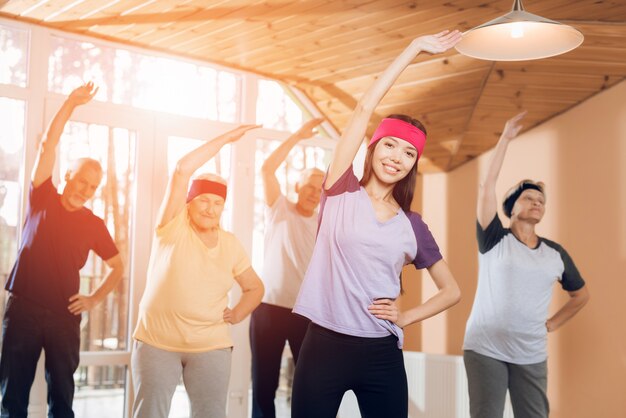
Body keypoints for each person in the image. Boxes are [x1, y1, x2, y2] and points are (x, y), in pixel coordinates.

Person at [290, 30, 462, 418]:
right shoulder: (339, 190)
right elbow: (363, 109)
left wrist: (407, 316)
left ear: (413, 165)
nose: (397, 157)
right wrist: (415, 48)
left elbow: (451, 290)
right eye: (390, 144)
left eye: (408, 153)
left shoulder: (412, 225)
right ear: (373, 147)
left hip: (381, 353)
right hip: (323, 346)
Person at [1, 82, 124, 417]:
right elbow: (47, 144)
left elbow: (118, 266)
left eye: (92, 186)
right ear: (68, 175)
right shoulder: (42, 197)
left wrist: (94, 298)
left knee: (62, 399)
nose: (85, 189)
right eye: (81, 181)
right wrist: (70, 104)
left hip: (64, 315)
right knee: (12, 397)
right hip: (23, 309)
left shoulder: (94, 224)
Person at [131, 125, 265, 418]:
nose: (210, 208)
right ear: (188, 203)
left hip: (211, 346)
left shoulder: (230, 244)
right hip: (157, 342)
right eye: (204, 200)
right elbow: (181, 170)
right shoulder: (171, 227)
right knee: (149, 413)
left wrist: (239, 312)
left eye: (218, 203)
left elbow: (255, 287)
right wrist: (226, 139)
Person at [463, 111, 590, 418]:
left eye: (541, 200)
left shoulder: (555, 253)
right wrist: (505, 138)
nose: (536, 203)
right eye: (529, 198)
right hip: (485, 348)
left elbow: (581, 295)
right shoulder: (494, 238)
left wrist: (552, 324)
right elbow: (486, 187)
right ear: (512, 206)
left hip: (530, 353)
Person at [250, 118, 324, 418]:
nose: (313, 193)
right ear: (298, 186)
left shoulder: (324, 224)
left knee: (310, 385)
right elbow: (267, 169)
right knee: (263, 385)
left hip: (305, 313)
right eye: (309, 186)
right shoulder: (279, 209)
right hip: (267, 309)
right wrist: (298, 136)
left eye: (320, 190)